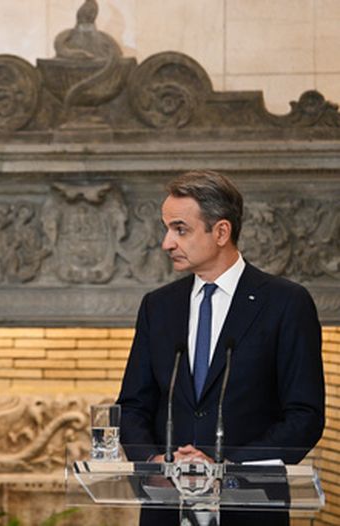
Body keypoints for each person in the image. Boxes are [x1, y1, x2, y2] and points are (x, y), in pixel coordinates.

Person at [117, 171, 324, 526]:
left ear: (221, 232)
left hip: (249, 509)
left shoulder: (286, 303)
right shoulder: (158, 306)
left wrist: (225, 467)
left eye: (180, 229)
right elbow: (133, 405)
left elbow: (304, 416)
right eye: (167, 229)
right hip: (167, 507)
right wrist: (154, 464)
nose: (167, 242)